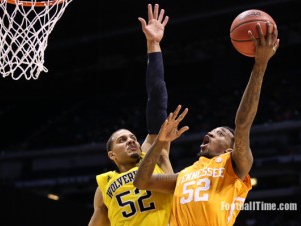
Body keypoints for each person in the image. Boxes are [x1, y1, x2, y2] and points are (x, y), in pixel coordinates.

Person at [133, 21, 280, 226]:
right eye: (211, 131)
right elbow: (141, 182)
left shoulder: (235, 165)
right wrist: (159, 142)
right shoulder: (184, 175)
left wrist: (260, 65)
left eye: (219, 133)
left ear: (230, 147)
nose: (210, 134)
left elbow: (243, 123)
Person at [88, 4, 174, 226]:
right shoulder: (104, 186)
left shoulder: (153, 154)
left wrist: (153, 44)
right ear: (111, 155)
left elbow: (156, 99)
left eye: (133, 137)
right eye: (122, 140)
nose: (132, 141)